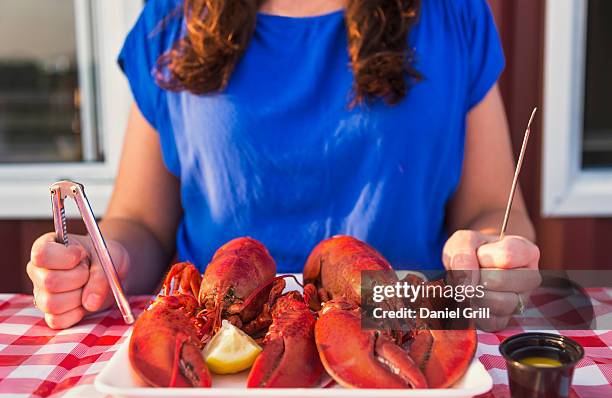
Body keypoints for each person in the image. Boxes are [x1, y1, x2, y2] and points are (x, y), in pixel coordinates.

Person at [27, 0, 539, 329]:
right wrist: (102, 261)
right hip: (219, 341)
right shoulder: (170, 19)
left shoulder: (453, 14)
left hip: (395, 326)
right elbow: (140, 220)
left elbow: (494, 206)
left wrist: (491, 258)